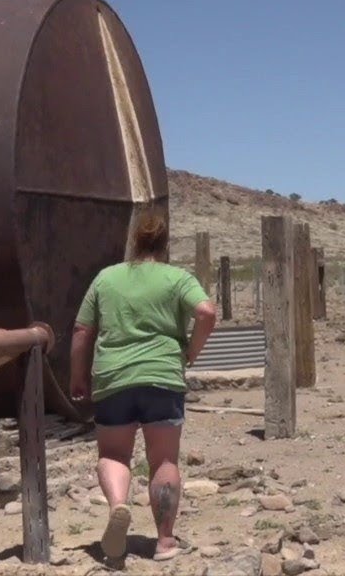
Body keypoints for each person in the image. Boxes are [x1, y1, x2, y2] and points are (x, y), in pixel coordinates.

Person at [70, 210, 216, 562]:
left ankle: (119, 506)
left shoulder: (106, 278)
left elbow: (81, 331)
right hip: (162, 376)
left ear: (134, 241)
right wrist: (190, 353)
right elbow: (206, 312)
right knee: (163, 458)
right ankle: (165, 542)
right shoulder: (178, 278)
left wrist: (77, 375)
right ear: (165, 244)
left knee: (113, 454)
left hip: (113, 378)